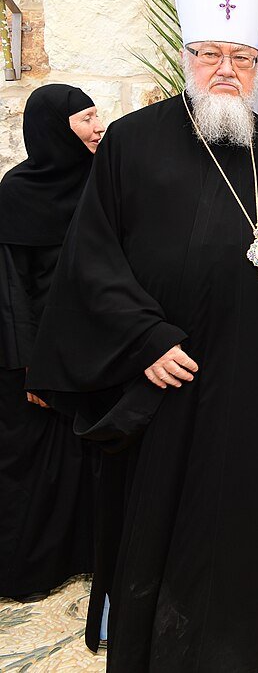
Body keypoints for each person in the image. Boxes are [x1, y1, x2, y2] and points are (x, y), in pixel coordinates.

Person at [27, 0, 258, 671]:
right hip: (168, 385)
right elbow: (91, 262)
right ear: (184, 56)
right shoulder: (132, 144)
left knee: (250, 523)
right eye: (211, 54)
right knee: (166, 526)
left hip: (255, 385)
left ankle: (255, 644)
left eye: (243, 57)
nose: (226, 69)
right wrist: (145, 339)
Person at [0, 85, 101, 602]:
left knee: (86, 459)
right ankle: (31, 570)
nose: (97, 126)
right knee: (36, 464)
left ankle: (85, 557)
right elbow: (10, 291)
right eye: (85, 118)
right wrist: (32, 368)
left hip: (90, 348)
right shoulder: (15, 193)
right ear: (53, 128)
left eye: (96, 115)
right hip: (33, 356)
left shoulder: (100, 184)